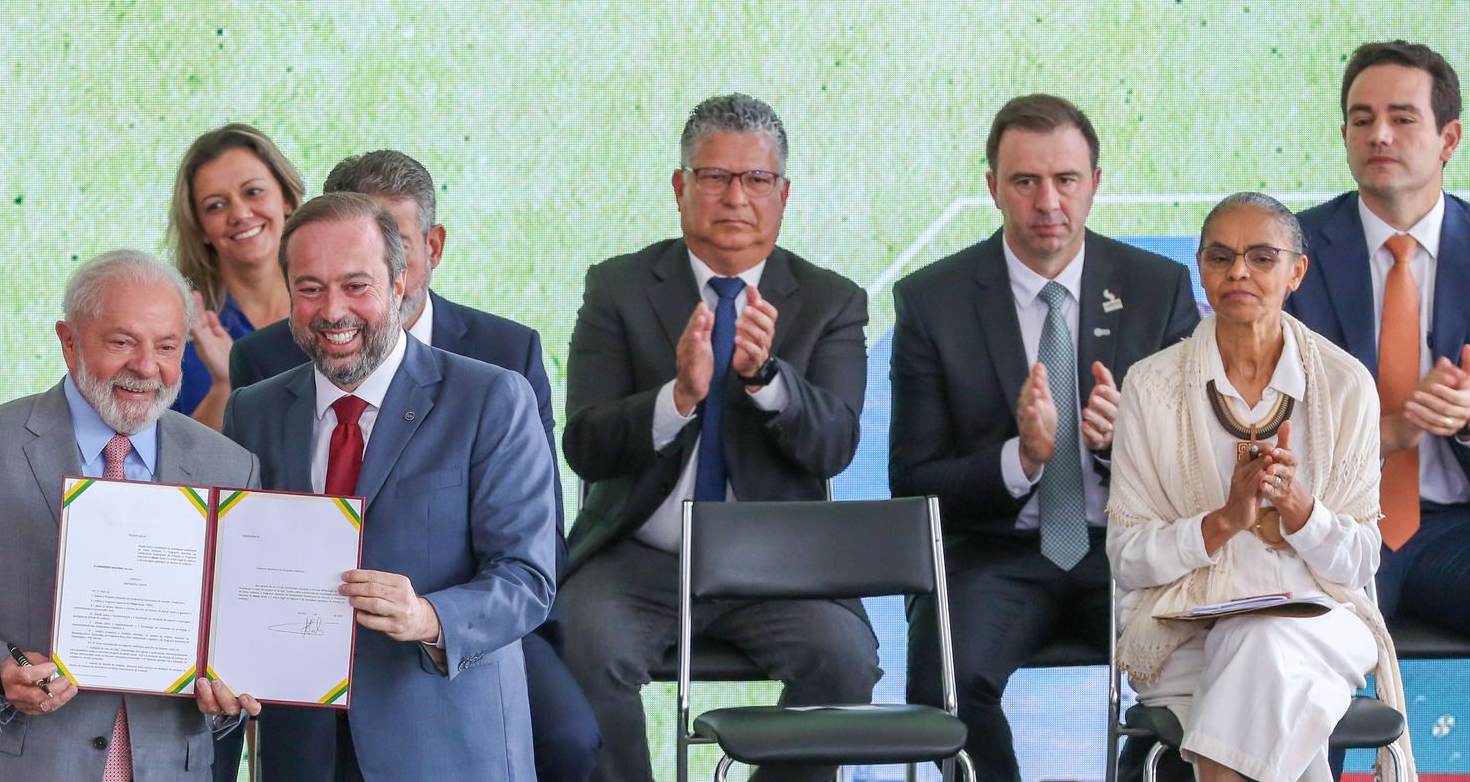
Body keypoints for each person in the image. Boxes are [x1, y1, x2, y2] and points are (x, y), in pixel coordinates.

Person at [223, 150, 598, 782]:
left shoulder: (491, 398)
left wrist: (428, 617)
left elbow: (528, 577)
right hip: (301, 743)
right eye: (310, 288)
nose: (332, 310)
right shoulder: (253, 410)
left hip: (441, 737)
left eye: (356, 285)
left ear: (400, 284)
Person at [559, 92, 880, 782]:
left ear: (783, 195)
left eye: (756, 179)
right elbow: (584, 443)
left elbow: (834, 445)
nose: (736, 197)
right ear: (681, 188)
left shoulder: (831, 301)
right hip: (637, 558)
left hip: (777, 566)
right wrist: (677, 397)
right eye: (715, 176)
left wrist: (768, 380)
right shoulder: (618, 288)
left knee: (845, 661)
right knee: (581, 647)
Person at [889, 93, 1199, 781]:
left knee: (1210, 664)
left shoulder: (1159, 289)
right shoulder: (932, 301)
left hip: (1128, 551)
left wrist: (1122, 446)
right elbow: (912, 482)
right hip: (991, 554)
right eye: (1025, 181)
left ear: (1095, 183)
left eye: (1066, 179)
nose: (1048, 201)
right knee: (947, 682)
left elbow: (1196, 465)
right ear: (992, 187)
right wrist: (1021, 458)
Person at [0, 250, 260, 780]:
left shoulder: (230, 466)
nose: (146, 367)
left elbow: (239, 630)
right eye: (122, 342)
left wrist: (230, 695)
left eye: (167, 346)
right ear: (68, 340)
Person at [1108, 192, 1416, 782]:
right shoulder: (1149, 386)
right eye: (1221, 257)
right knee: (1261, 660)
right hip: (1188, 631)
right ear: (1201, 268)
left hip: (1319, 626)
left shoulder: (1346, 384)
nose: (1239, 272)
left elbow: (1359, 561)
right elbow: (1127, 558)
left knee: (1262, 645)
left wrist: (1300, 512)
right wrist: (1224, 521)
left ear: (1296, 272)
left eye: (1262, 257)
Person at [1288, 40, 1470, 633]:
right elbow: (1254, 418)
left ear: (1449, 139)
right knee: (1286, 637)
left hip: (1458, 527)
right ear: (1345, 136)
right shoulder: (1287, 256)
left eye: (1403, 119)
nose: (1380, 135)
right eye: (1362, 121)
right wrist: (1387, 431)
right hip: (1330, 524)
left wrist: (1466, 419)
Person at [168, 122, 305, 429]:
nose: (240, 214)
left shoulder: (337, 312)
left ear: (286, 198)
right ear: (200, 227)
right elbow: (170, 456)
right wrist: (224, 386)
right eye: (215, 206)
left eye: (253, 192)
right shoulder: (178, 336)